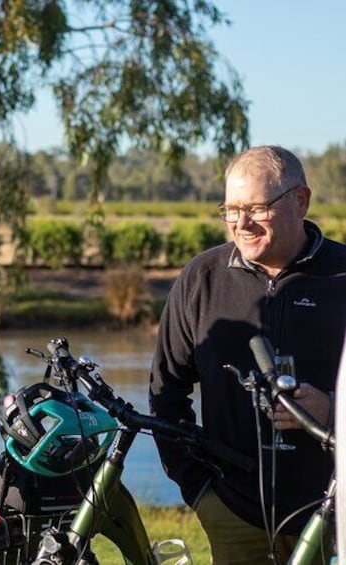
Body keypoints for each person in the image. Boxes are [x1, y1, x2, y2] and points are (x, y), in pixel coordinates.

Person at [149, 145, 346, 564]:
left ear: (300, 200)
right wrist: (199, 490)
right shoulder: (201, 278)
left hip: (335, 514)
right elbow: (166, 392)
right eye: (231, 209)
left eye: (256, 208)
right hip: (233, 513)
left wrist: (331, 411)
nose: (241, 223)